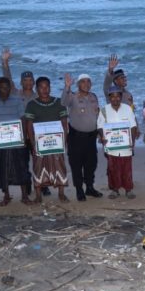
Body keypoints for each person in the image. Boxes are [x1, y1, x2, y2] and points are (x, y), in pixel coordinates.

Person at [0, 77, 32, 206]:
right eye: (1, 87)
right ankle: (6, 195)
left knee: (21, 167)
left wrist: (23, 137)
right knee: (2, 169)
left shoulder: (17, 101)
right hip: (1, 141)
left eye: (7, 87)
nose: (4, 90)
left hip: (17, 140)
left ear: (10, 88)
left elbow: (23, 119)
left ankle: (24, 196)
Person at [24, 77, 70, 203]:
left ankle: (61, 193)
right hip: (39, 144)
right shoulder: (32, 105)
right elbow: (29, 126)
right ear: (36, 89)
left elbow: (64, 124)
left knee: (60, 166)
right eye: (41, 87)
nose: (45, 90)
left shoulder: (59, 102)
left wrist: (64, 141)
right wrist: (33, 144)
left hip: (56, 142)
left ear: (50, 87)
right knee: (38, 168)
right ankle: (38, 195)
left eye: (47, 87)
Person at [1, 47, 39, 195]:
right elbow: (7, 81)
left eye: (30, 80)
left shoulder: (38, 97)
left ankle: (43, 184)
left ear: (34, 82)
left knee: (38, 161)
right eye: (25, 80)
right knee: (23, 163)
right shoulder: (15, 94)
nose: (28, 82)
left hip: (35, 135)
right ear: (21, 82)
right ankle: (27, 184)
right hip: (20, 135)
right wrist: (5, 62)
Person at [62, 73, 102, 201]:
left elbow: (98, 116)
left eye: (88, 82)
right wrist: (67, 87)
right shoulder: (73, 97)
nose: (86, 84)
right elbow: (64, 102)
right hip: (76, 137)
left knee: (91, 164)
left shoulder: (94, 97)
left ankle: (89, 188)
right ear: (78, 84)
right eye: (83, 82)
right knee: (76, 165)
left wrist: (101, 133)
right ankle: (79, 190)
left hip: (91, 138)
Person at [98, 85, 139, 199]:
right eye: (112, 96)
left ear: (121, 97)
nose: (115, 99)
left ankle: (128, 189)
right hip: (110, 145)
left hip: (126, 144)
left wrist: (133, 141)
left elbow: (133, 126)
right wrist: (102, 137)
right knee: (112, 168)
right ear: (109, 97)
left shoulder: (127, 108)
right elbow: (100, 126)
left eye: (118, 96)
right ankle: (114, 190)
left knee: (127, 167)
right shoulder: (104, 110)